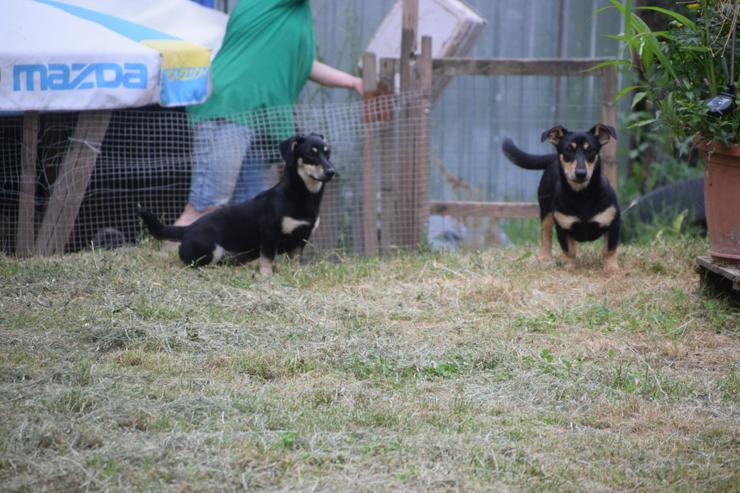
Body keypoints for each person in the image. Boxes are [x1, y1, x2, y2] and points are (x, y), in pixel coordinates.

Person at [176, 0, 363, 226]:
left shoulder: (291, 14)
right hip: (231, 108)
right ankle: (169, 258)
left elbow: (305, 64)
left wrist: (354, 82)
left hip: (258, 118)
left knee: (251, 207)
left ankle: (245, 260)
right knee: (205, 206)